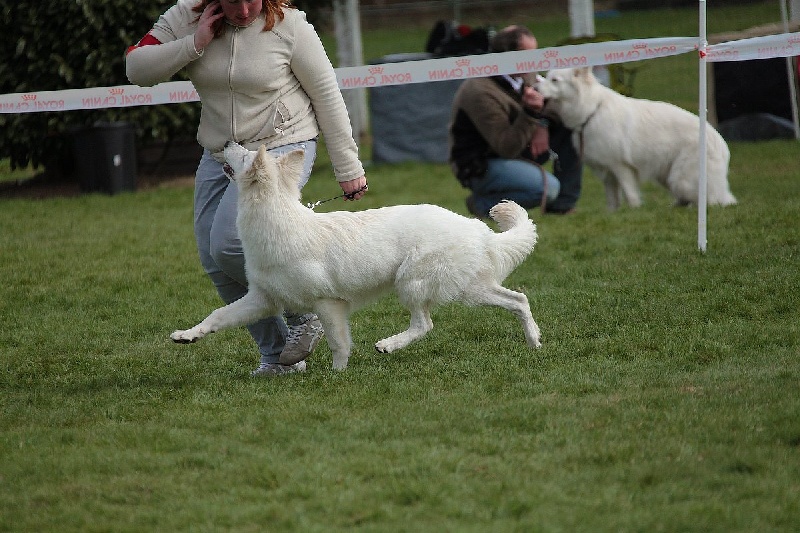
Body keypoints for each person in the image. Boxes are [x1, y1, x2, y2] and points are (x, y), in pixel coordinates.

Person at [126, 0, 367, 376]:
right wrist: (195, 42)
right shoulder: (186, 17)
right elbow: (136, 68)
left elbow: (326, 93)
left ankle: (305, 311)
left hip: (282, 144)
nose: (242, 9)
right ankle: (278, 359)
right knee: (214, 260)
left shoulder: (290, 24)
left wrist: (348, 165)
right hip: (221, 152)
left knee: (227, 244)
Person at [448, 25, 582, 217]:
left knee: (569, 124)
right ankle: (483, 204)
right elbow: (506, 147)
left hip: (515, 147)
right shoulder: (479, 90)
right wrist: (531, 113)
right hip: (480, 163)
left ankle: (562, 206)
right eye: (528, 56)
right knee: (547, 188)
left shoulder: (524, 73)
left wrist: (543, 124)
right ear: (507, 57)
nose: (534, 62)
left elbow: (554, 100)